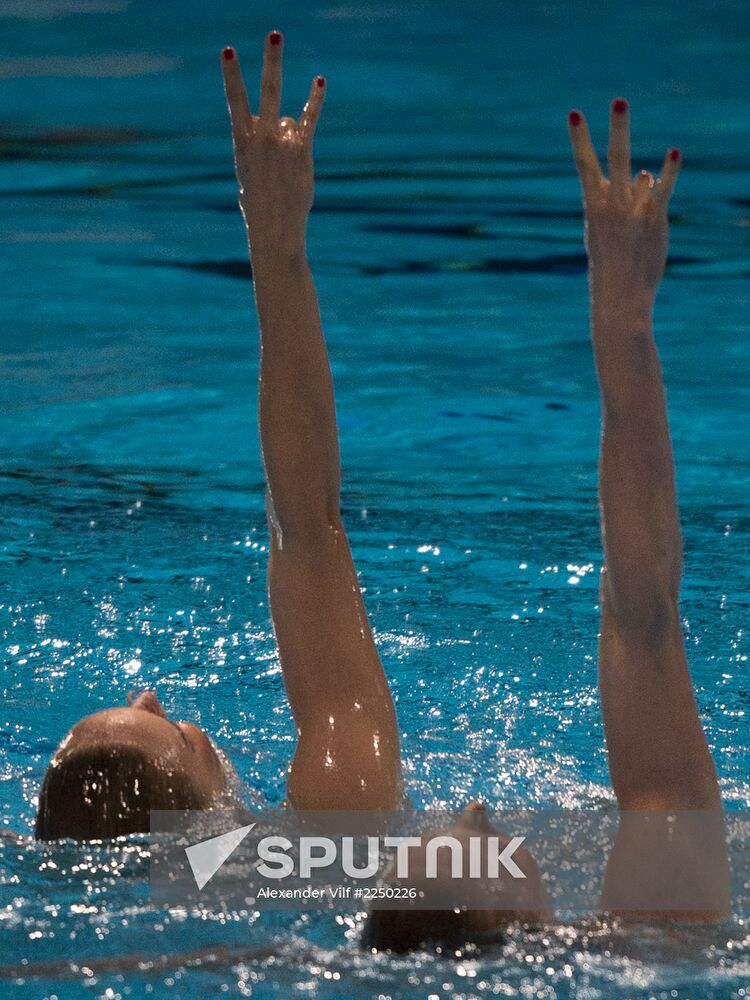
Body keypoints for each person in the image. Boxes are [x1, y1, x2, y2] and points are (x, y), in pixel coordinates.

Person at [34, 33, 730, 944]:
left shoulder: (290, 867)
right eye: (476, 838)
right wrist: (623, 330)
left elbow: (307, 527)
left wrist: (276, 253)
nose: (481, 805)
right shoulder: (346, 836)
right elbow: (307, 525)